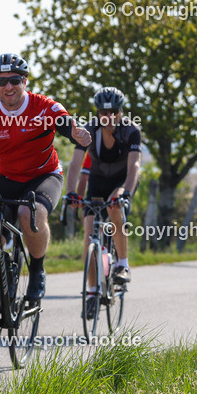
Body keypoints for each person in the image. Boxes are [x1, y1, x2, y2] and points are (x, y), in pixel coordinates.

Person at [0, 53, 89, 307]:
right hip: (4, 178)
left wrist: (75, 132)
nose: (8, 86)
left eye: (14, 80)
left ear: (25, 81)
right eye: (1, 82)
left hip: (44, 176)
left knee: (28, 213)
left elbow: (65, 124)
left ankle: (37, 270)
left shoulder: (43, 106)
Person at [68, 87, 141, 319]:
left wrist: (126, 193)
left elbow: (134, 168)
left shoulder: (131, 130)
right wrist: (71, 192)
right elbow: (75, 163)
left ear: (121, 111)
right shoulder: (88, 129)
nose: (108, 116)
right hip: (98, 181)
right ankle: (91, 293)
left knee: (114, 206)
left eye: (114, 111)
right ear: (97, 112)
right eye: (103, 112)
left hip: (122, 180)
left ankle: (122, 263)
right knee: (89, 234)